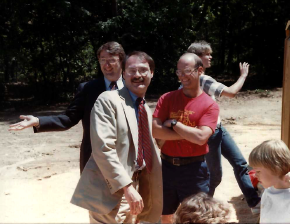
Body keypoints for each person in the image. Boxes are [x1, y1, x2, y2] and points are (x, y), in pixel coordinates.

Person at [71, 51, 162, 223]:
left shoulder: (144, 108)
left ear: (152, 73)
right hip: (111, 192)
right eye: (131, 70)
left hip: (138, 188)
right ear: (124, 73)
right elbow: (103, 150)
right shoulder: (108, 100)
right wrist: (127, 188)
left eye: (143, 70)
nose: (137, 75)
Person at [8, 41, 125, 173]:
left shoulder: (132, 88)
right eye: (103, 60)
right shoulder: (88, 88)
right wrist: (38, 121)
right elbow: (69, 118)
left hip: (126, 157)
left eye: (111, 60)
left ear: (121, 61)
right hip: (94, 160)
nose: (106, 65)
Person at [187, 41, 261, 213]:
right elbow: (231, 93)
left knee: (240, 164)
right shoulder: (202, 78)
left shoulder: (197, 78)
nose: (210, 56)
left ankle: (254, 202)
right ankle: (202, 210)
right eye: (207, 53)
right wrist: (243, 76)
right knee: (214, 177)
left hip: (218, 129)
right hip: (210, 134)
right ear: (198, 58)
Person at [152, 53, 219, 224]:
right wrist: (189, 134)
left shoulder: (209, 105)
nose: (182, 76)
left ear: (200, 71)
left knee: (196, 217)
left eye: (187, 71)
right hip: (166, 168)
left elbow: (202, 137)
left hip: (194, 170)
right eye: (179, 72)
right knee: (166, 214)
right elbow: (155, 131)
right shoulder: (167, 98)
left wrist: (174, 123)